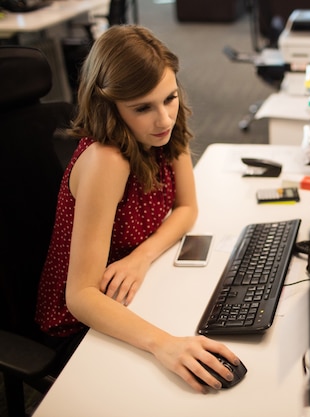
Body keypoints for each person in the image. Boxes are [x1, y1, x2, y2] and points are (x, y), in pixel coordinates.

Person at [35, 25, 240, 392]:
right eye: (142, 107)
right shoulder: (107, 160)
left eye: (170, 98)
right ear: (109, 106)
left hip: (135, 287)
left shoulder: (163, 129)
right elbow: (80, 296)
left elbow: (187, 208)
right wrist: (164, 344)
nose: (164, 118)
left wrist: (141, 257)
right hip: (81, 324)